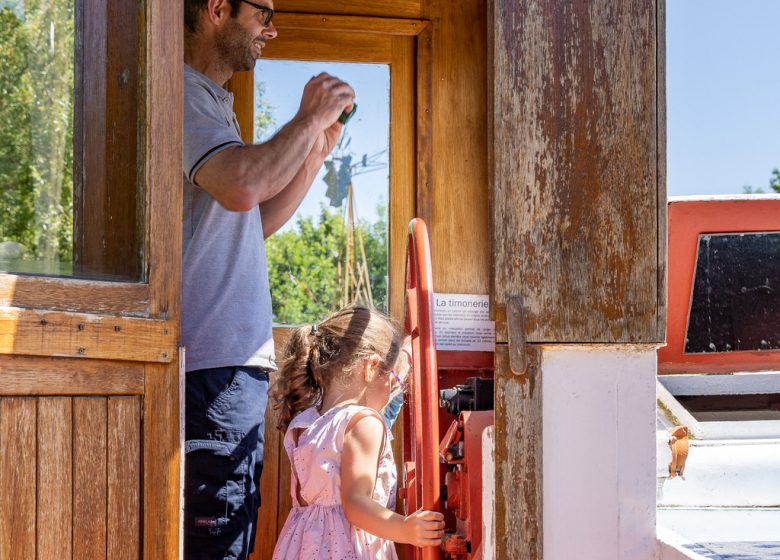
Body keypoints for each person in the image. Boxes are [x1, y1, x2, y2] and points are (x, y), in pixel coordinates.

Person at [182, 1, 355, 559]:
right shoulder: (182, 93)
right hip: (210, 369)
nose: (272, 28)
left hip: (226, 369)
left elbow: (251, 220)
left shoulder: (211, 104)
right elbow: (242, 185)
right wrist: (305, 119)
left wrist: (310, 157)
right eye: (263, 13)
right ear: (216, 9)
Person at [270, 305, 446, 559]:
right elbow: (355, 504)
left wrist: (405, 354)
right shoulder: (364, 423)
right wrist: (405, 529)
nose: (394, 390)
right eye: (394, 378)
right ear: (371, 367)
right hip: (349, 549)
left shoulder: (307, 422)